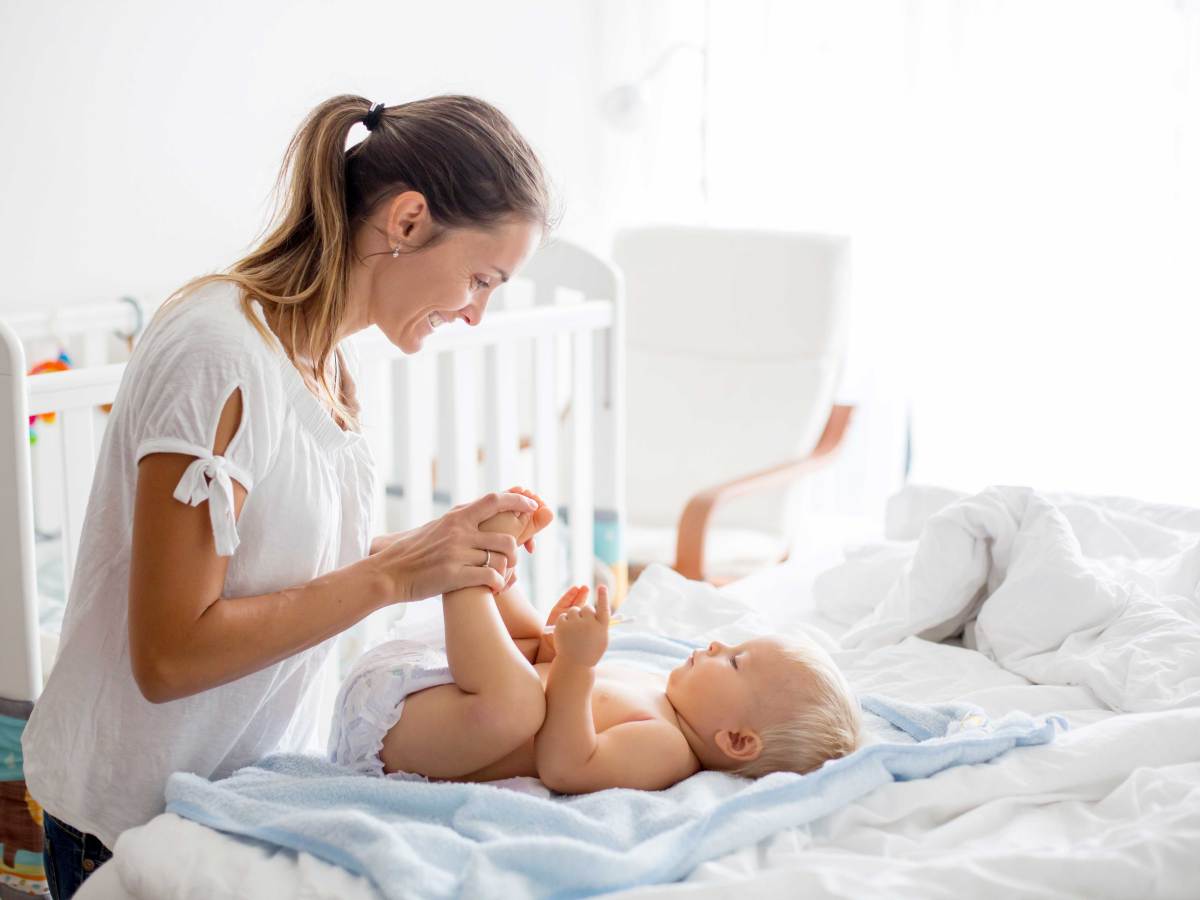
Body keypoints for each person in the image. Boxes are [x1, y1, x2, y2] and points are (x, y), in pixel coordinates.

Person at [22, 93, 553, 900]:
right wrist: (396, 577)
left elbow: (272, 570)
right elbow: (169, 654)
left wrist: (438, 550)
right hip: (129, 825)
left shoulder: (327, 365)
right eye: (481, 278)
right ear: (407, 222)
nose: (478, 313)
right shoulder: (220, 353)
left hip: (236, 805)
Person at [330, 489, 864, 792]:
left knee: (516, 705)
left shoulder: (668, 749)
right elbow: (544, 675)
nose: (719, 647)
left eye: (736, 663)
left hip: (405, 740)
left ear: (737, 741)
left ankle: (464, 572)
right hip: (427, 690)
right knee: (524, 646)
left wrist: (578, 668)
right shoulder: (655, 686)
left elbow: (566, 764)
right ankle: (492, 565)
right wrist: (555, 646)